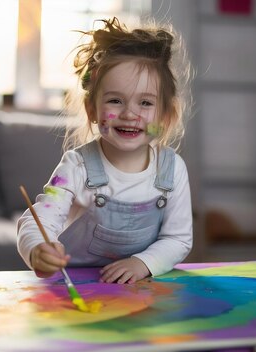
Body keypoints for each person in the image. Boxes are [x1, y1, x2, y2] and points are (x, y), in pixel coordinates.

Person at [17, 17, 193, 284]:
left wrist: (142, 263)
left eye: (145, 102)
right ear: (92, 110)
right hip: (73, 287)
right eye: (115, 100)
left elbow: (178, 239)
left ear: (166, 116)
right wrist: (39, 249)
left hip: (139, 289)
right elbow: (39, 219)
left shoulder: (172, 169)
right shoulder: (76, 166)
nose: (129, 114)